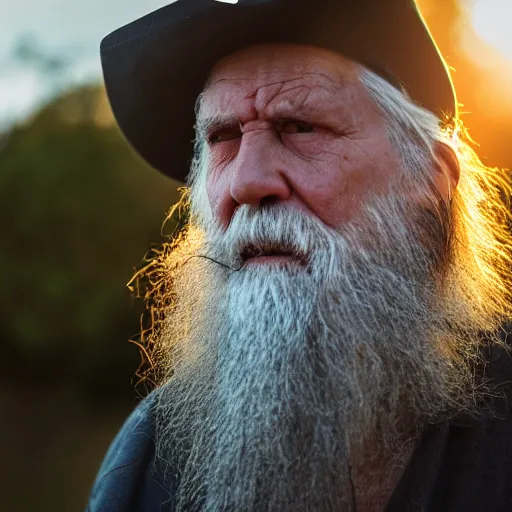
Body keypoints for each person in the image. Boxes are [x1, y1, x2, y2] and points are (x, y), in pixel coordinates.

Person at [88, 1, 512, 511]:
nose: (247, 181)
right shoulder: (150, 459)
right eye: (222, 137)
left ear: (428, 176)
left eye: (300, 127)